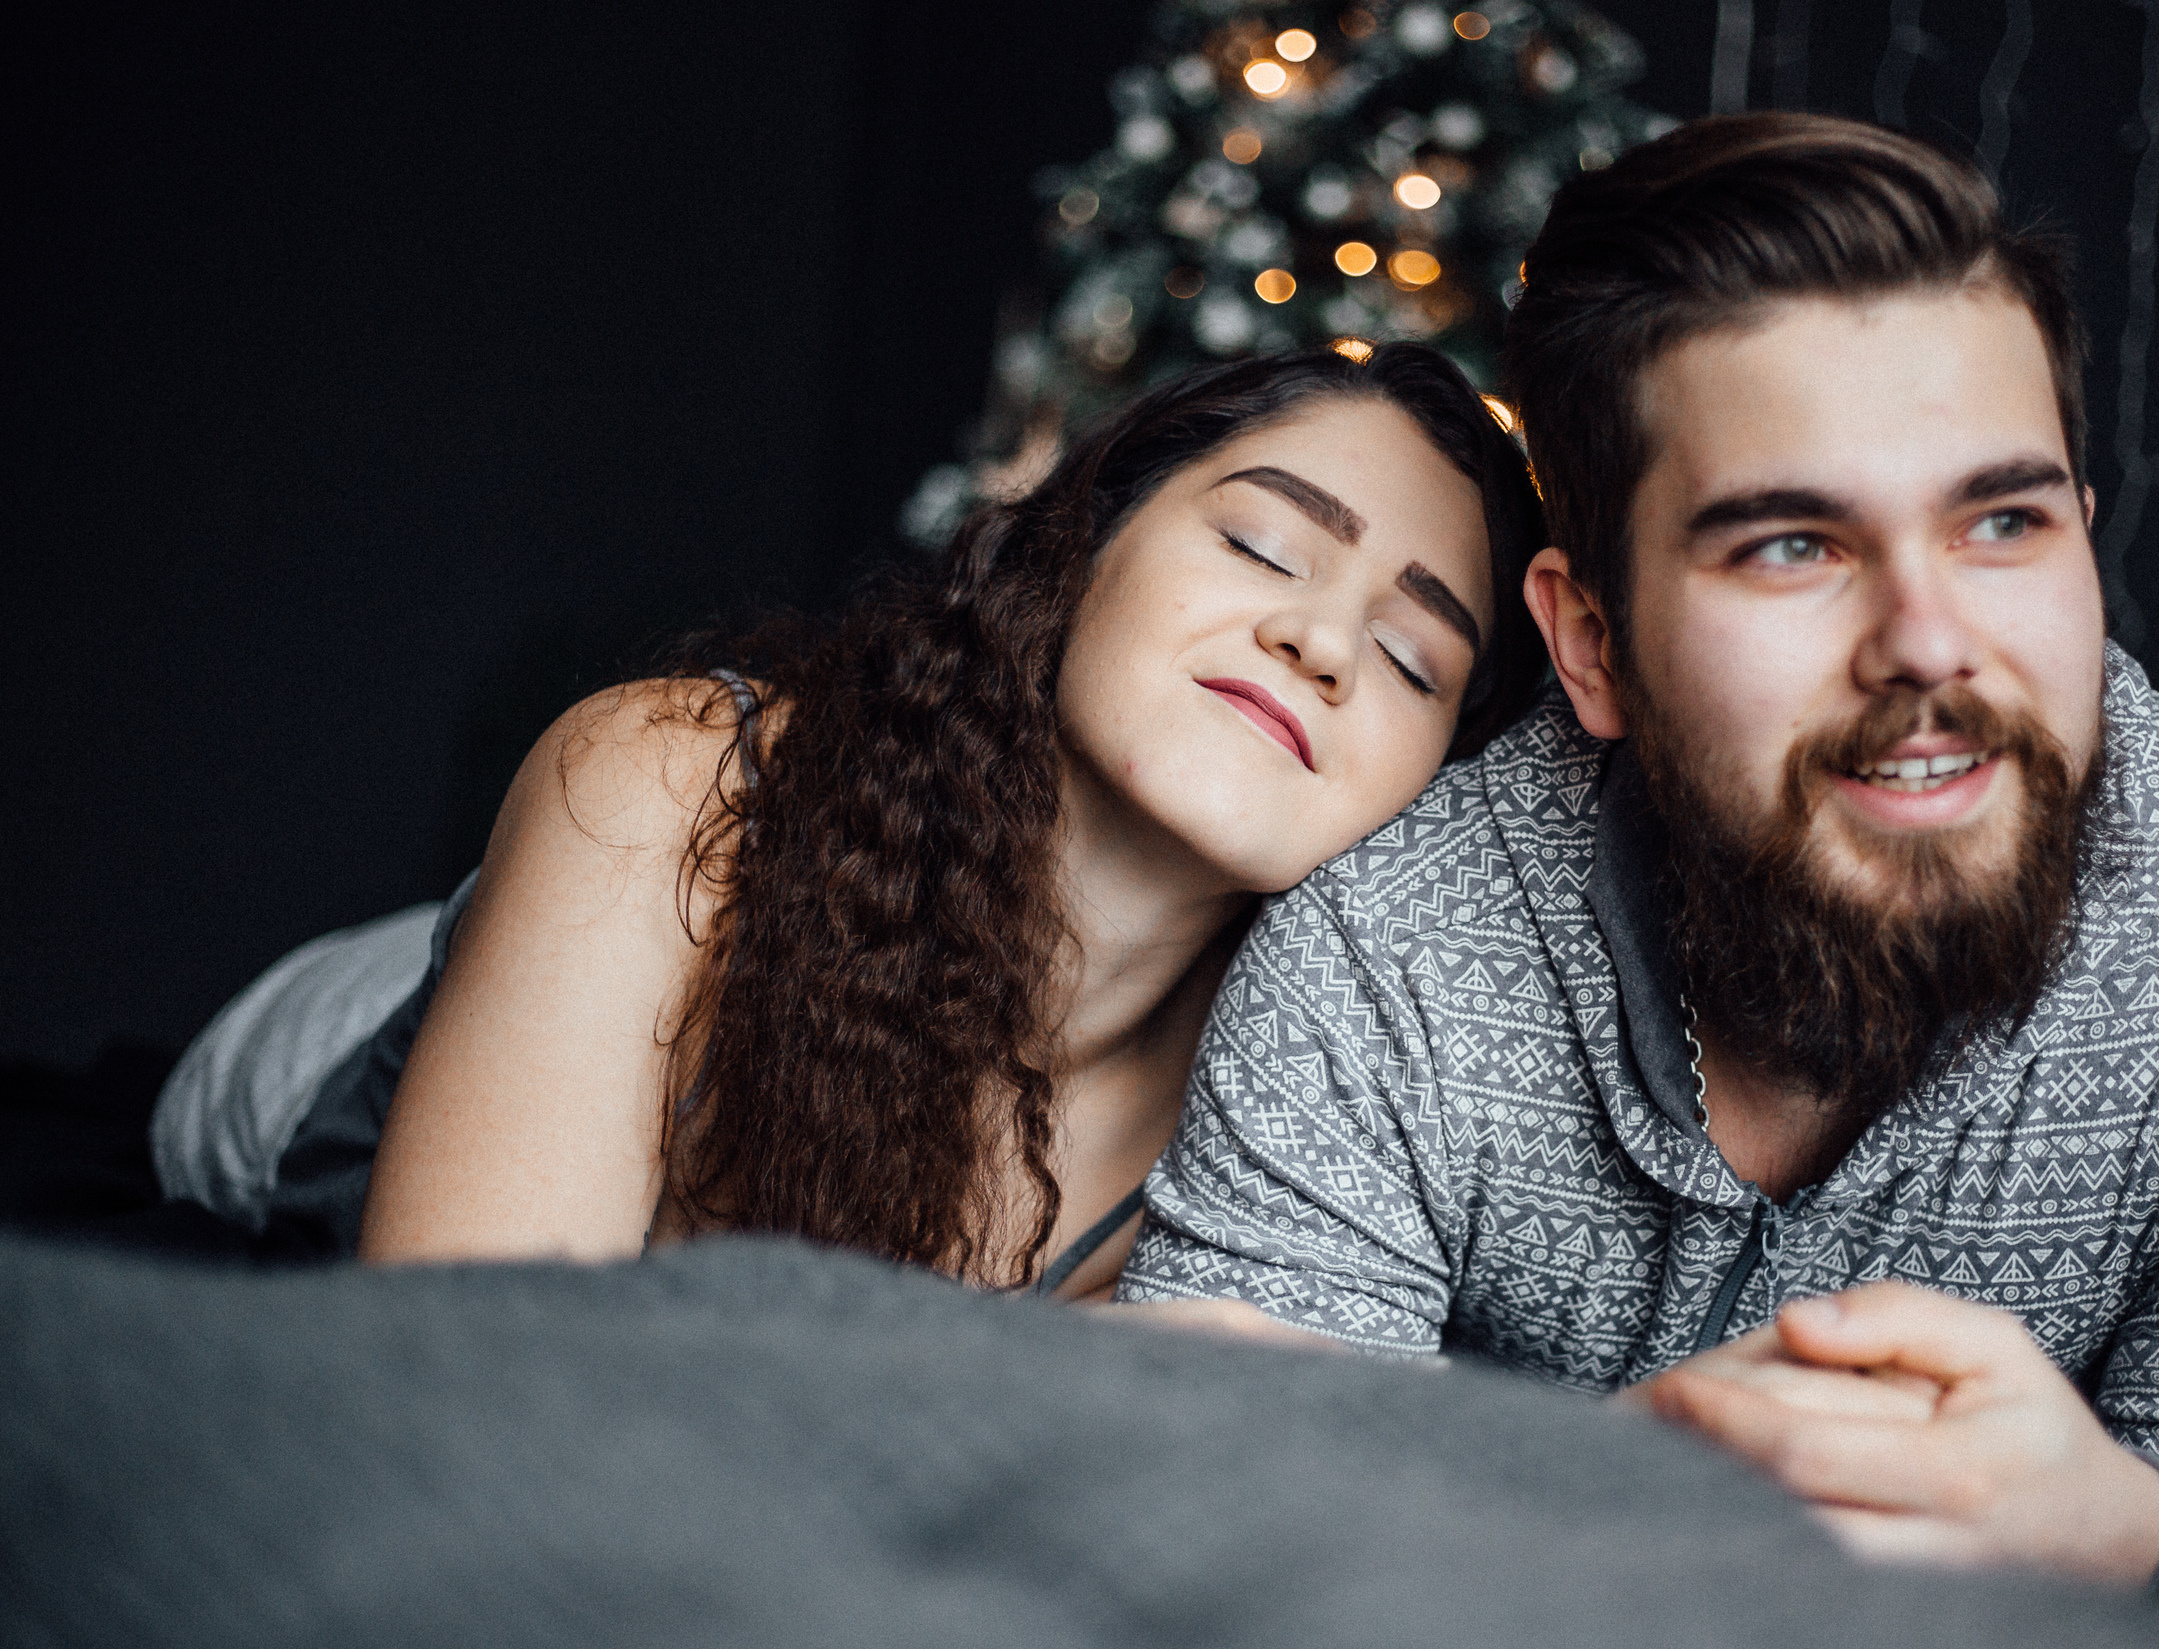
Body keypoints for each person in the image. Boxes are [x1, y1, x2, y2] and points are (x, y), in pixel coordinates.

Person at [1117, 113, 2159, 1583]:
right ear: (1592, 644)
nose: (1934, 643)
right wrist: (1616, 1509)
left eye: (2002, 522)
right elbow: (1203, 1565)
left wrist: (2137, 1538)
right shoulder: (1383, 964)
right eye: (1791, 546)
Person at [159, 343, 1546, 1296]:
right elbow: (475, 1378)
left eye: (1416, 660)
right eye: (1259, 543)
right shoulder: (665, 778)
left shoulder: (1309, 1101)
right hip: (350, 1052)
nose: (1321, 639)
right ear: (1083, 550)